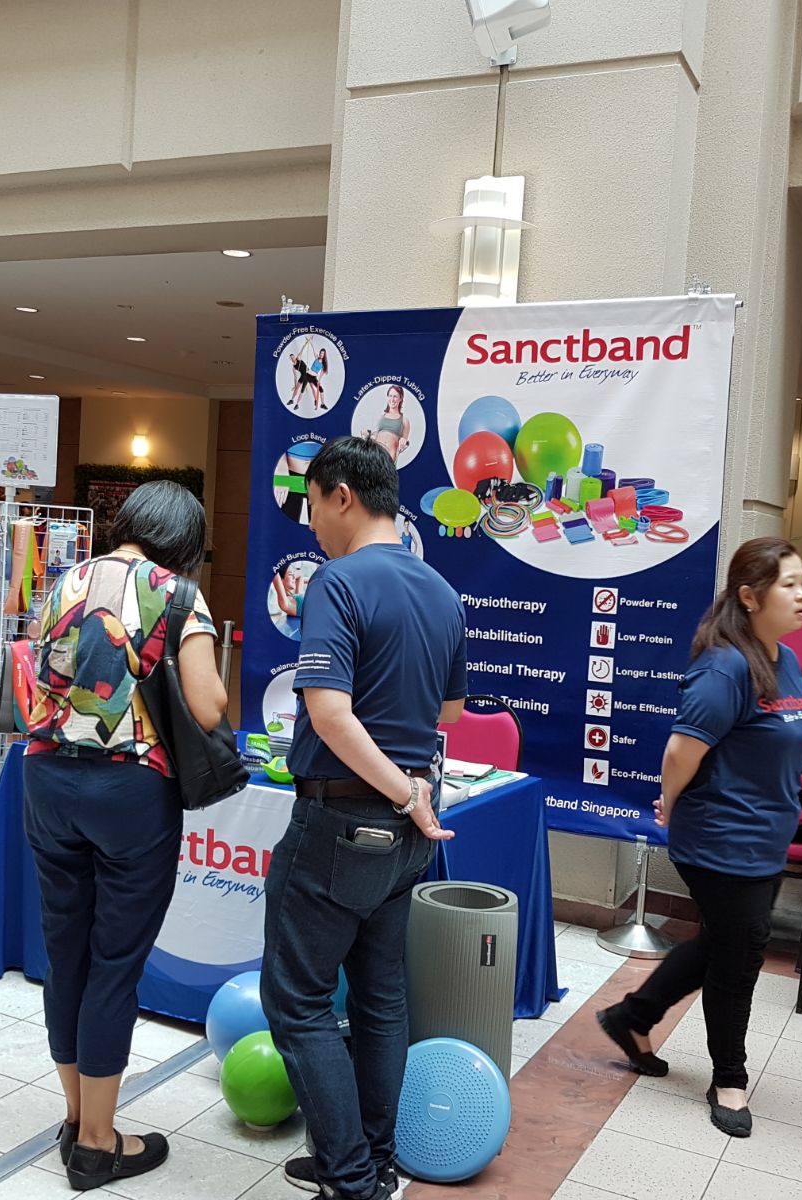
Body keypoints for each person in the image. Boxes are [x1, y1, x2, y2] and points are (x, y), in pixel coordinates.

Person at [260, 436, 468, 1200]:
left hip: (343, 822)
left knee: (297, 1002)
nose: (312, 524)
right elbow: (451, 711)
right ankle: (372, 1160)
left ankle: (350, 1180)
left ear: (342, 494)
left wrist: (403, 793)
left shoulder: (338, 582)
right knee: (380, 999)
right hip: (405, 840)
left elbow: (329, 713)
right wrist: (411, 791)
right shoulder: (441, 591)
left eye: (313, 505)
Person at [22, 480, 228, 1194]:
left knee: (66, 955)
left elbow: (41, 677)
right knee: (114, 965)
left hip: (46, 780)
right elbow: (208, 706)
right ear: (185, 541)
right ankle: (98, 1146)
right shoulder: (177, 593)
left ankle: (77, 1117)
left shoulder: (64, 580)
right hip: (129, 793)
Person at [594, 537, 802, 1138]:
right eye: (790, 584)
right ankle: (729, 1078)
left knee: (723, 942)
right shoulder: (725, 668)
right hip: (722, 838)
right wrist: (670, 803)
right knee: (740, 958)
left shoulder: (783, 660)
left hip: (765, 834)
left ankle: (632, 1016)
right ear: (750, 596)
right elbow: (679, 751)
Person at [366, 386, 411, 464]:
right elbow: (374, 435)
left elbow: (403, 443)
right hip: (375, 454)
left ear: (400, 398)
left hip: (390, 456)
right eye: (390, 396)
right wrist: (368, 435)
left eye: (395, 396)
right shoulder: (381, 416)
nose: (392, 399)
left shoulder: (404, 420)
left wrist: (404, 442)